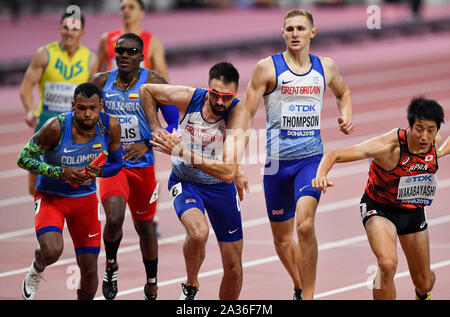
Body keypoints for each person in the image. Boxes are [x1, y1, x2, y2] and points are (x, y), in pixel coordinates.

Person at [242, 9, 354, 300]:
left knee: (305, 226)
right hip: (276, 165)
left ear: (312, 33)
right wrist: (235, 161)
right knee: (282, 240)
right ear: (283, 33)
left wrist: (346, 116)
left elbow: (344, 93)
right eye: (289, 28)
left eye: (300, 29)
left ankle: (309, 295)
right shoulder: (266, 69)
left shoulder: (325, 67)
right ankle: (298, 284)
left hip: (310, 161)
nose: (294, 34)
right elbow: (245, 115)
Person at [312, 96, 447, 300]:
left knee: (424, 282)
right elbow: (334, 155)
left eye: (431, 130)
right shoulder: (388, 146)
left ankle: (422, 293)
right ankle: (382, 280)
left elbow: (440, 149)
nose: (424, 137)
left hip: (413, 212)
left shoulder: (434, 143)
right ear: (410, 126)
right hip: (379, 208)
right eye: (419, 129)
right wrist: (321, 175)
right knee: (387, 264)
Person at [139, 61, 249, 300]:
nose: (220, 102)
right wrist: (156, 127)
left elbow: (228, 173)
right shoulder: (190, 98)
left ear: (235, 94)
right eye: (215, 95)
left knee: (234, 269)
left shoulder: (239, 114)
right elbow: (146, 90)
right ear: (207, 88)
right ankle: (190, 286)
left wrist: (181, 152)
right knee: (198, 234)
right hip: (185, 182)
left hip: (220, 187)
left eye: (227, 97)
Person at [91, 33, 178, 300]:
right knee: (114, 217)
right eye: (120, 51)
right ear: (114, 54)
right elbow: (84, 117)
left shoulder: (153, 82)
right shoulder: (100, 82)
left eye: (131, 51)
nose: (125, 56)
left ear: (142, 56)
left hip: (142, 166)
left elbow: (175, 126)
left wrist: (148, 145)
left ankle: (152, 280)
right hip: (112, 165)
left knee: (145, 227)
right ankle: (111, 266)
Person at [17, 82, 122, 300]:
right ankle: (37, 268)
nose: (87, 114)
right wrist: (59, 172)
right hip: (51, 198)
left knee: (90, 270)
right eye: (82, 108)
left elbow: (117, 165)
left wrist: (100, 171)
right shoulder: (55, 127)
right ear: (73, 105)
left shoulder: (110, 126)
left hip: (84, 201)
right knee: (52, 251)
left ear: (101, 106)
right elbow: (23, 159)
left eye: (92, 108)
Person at [20, 10, 98, 196]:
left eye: (74, 28)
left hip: (74, 128)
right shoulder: (44, 55)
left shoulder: (90, 60)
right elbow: (26, 86)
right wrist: (30, 110)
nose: (69, 32)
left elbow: (94, 96)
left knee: (76, 181)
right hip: (45, 125)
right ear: (59, 29)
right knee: (35, 187)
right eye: (66, 28)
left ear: (82, 32)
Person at [95, 0, 169, 81]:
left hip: (140, 92)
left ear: (142, 13)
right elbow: (95, 70)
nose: (126, 11)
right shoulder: (107, 38)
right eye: (123, 8)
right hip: (112, 91)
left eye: (131, 7)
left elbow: (163, 74)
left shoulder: (153, 41)